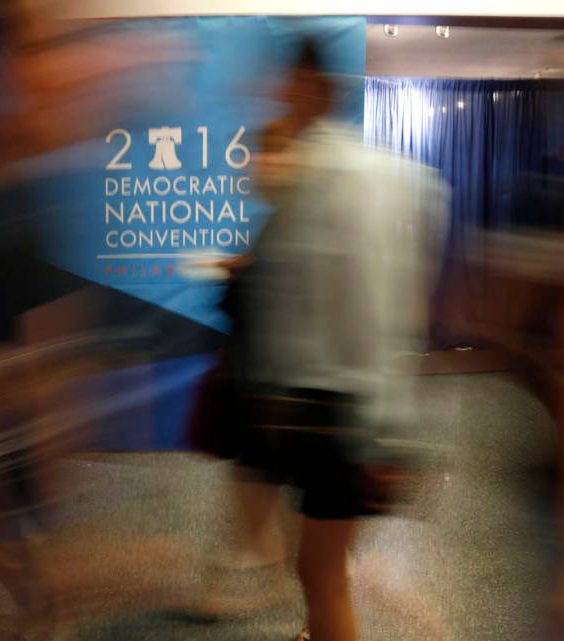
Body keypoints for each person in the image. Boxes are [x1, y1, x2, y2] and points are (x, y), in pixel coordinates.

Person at [225, 39, 449, 641]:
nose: (279, 96)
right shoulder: (311, 175)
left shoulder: (351, 177)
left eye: (292, 84)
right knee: (318, 569)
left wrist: (385, 429)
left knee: (321, 573)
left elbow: (376, 308)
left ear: (318, 88)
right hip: (311, 406)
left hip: (339, 411)